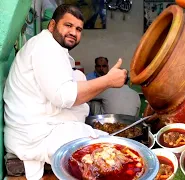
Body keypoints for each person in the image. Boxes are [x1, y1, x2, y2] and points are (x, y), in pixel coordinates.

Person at [3, 4, 127, 180]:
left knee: (78, 78)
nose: (73, 33)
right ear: (52, 25)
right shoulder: (45, 47)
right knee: (104, 147)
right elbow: (64, 97)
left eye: (78, 29)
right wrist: (107, 81)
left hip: (40, 129)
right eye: (68, 26)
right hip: (33, 138)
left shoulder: (52, 48)